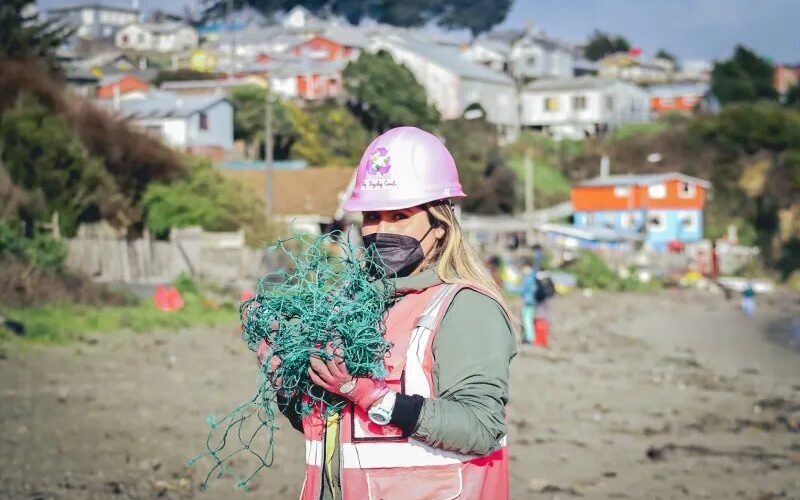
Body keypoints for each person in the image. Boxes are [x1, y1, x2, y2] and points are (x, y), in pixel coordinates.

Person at [259, 127, 516, 499]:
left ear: (440, 225)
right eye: (373, 215)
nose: (381, 230)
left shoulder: (466, 307)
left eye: (400, 215)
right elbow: (338, 432)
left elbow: (480, 427)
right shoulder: (349, 305)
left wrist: (372, 396)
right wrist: (289, 389)